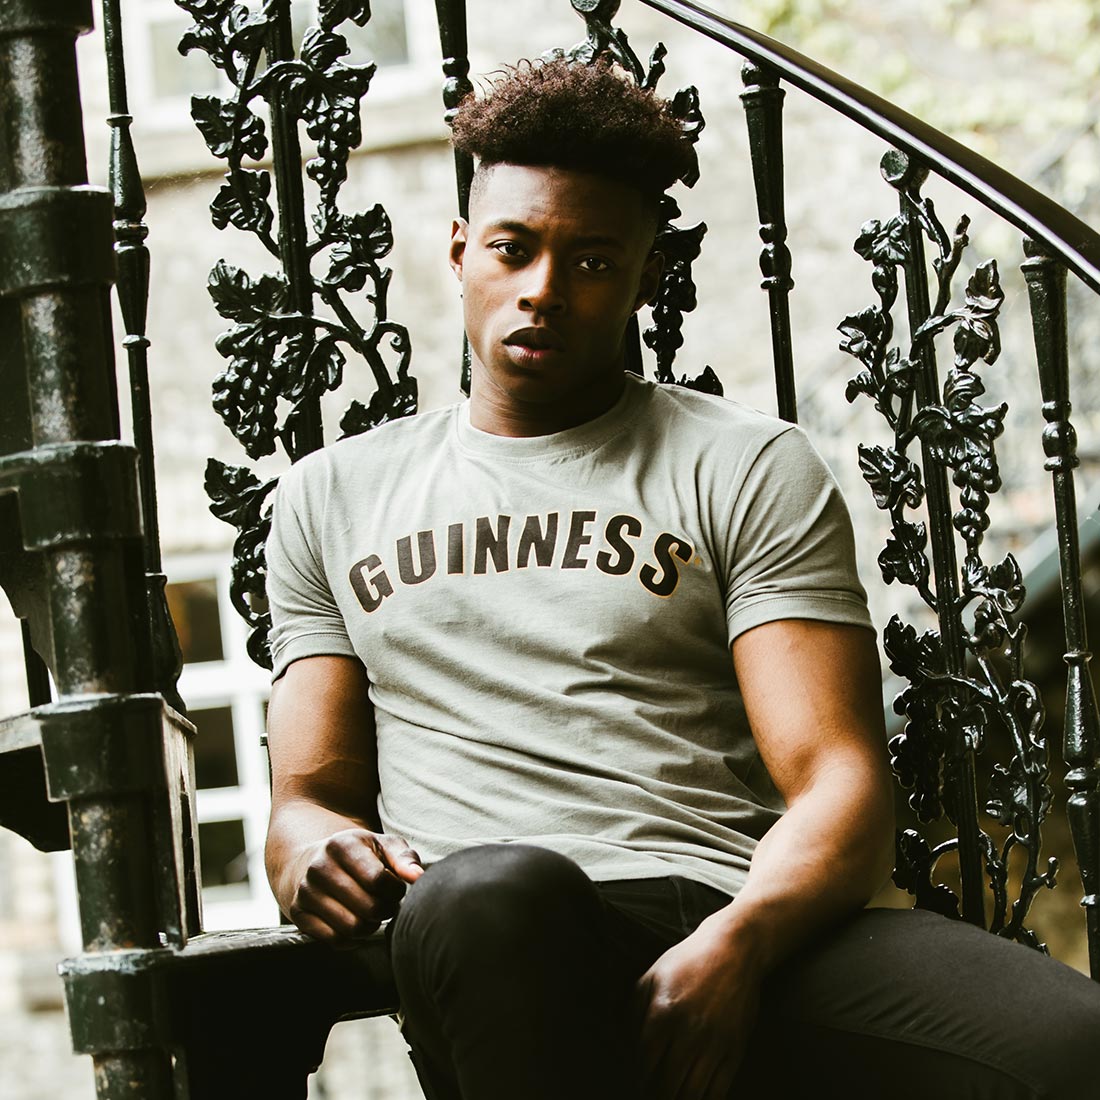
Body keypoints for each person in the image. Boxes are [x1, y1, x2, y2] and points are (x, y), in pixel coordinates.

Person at [263, 58, 1100, 1100]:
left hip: (738, 907)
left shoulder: (742, 463)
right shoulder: (330, 495)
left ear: (640, 274)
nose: (542, 290)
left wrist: (739, 942)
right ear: (459, 250)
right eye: (511, 248)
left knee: (1071, 1042)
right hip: (503, 937)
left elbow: (838, 781)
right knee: (491, 888)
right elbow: (308, 798)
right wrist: (310, 851)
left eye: (592, 261)